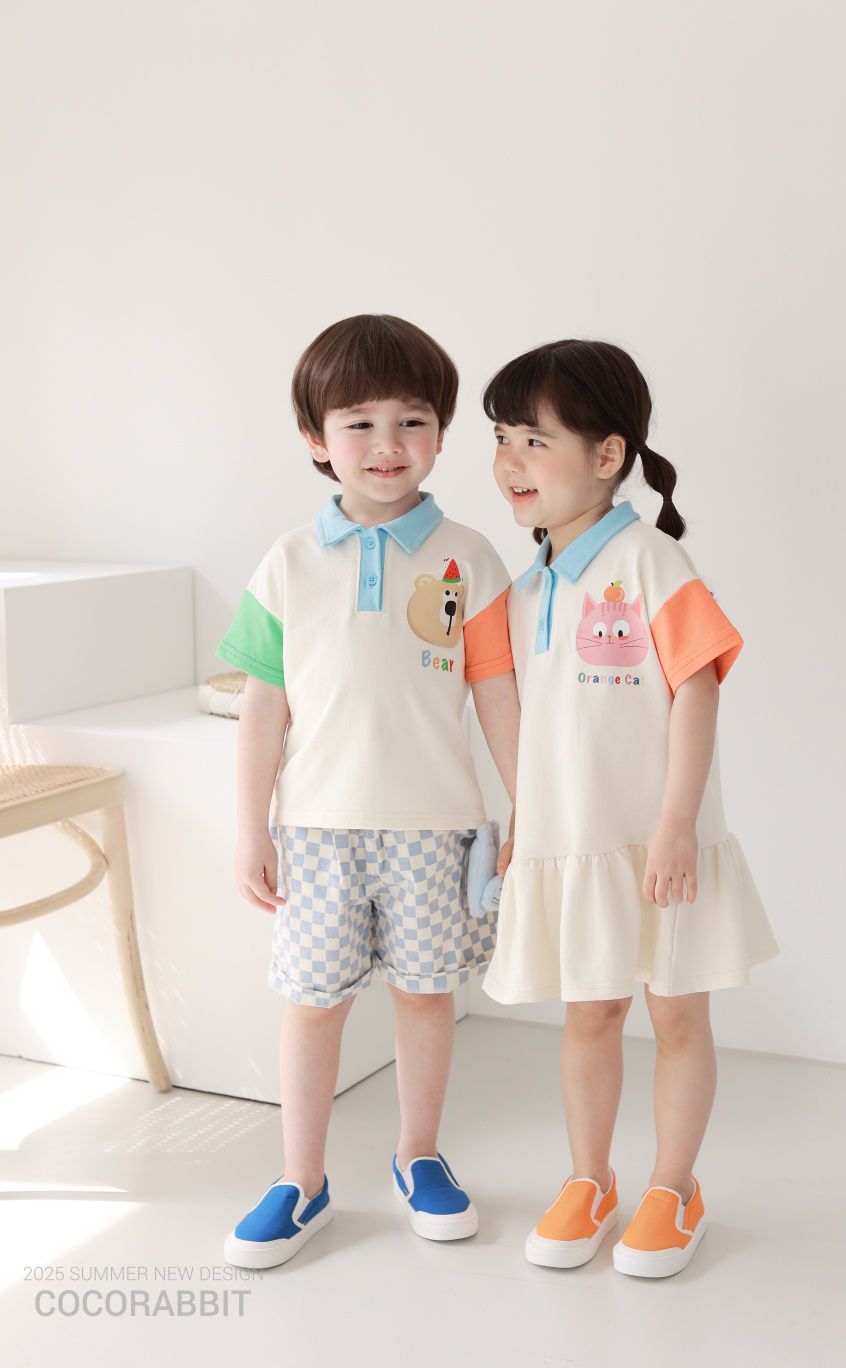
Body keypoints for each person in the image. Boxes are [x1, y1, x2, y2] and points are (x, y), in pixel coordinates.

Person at [217, 314, 520, 1268]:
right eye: (359, 423)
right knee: (313, 1005)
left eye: (412, 420)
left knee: (426, 999)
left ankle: (418, 1156)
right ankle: (300, 1180)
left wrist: (531, 810)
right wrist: (250, 829)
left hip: (437, 826)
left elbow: (498, 694)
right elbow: (263, 709)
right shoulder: (288, 562)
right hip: (315, 832)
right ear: (317, 439)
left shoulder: (471, 555)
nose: (388, 444)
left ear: (441, 434)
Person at [482, 338, 778, 1278]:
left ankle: (673, 1188)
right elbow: (531, 729)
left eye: (534, 440)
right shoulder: (524, 590)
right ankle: (590, 1180)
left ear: (607, 454)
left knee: (678, 1016)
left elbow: (698, 687)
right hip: (576, 849)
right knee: (592, 1015)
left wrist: (678, 823)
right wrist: (526, 822)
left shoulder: (652, 560)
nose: (510, 460)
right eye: (501, 438)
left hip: (661, 848)